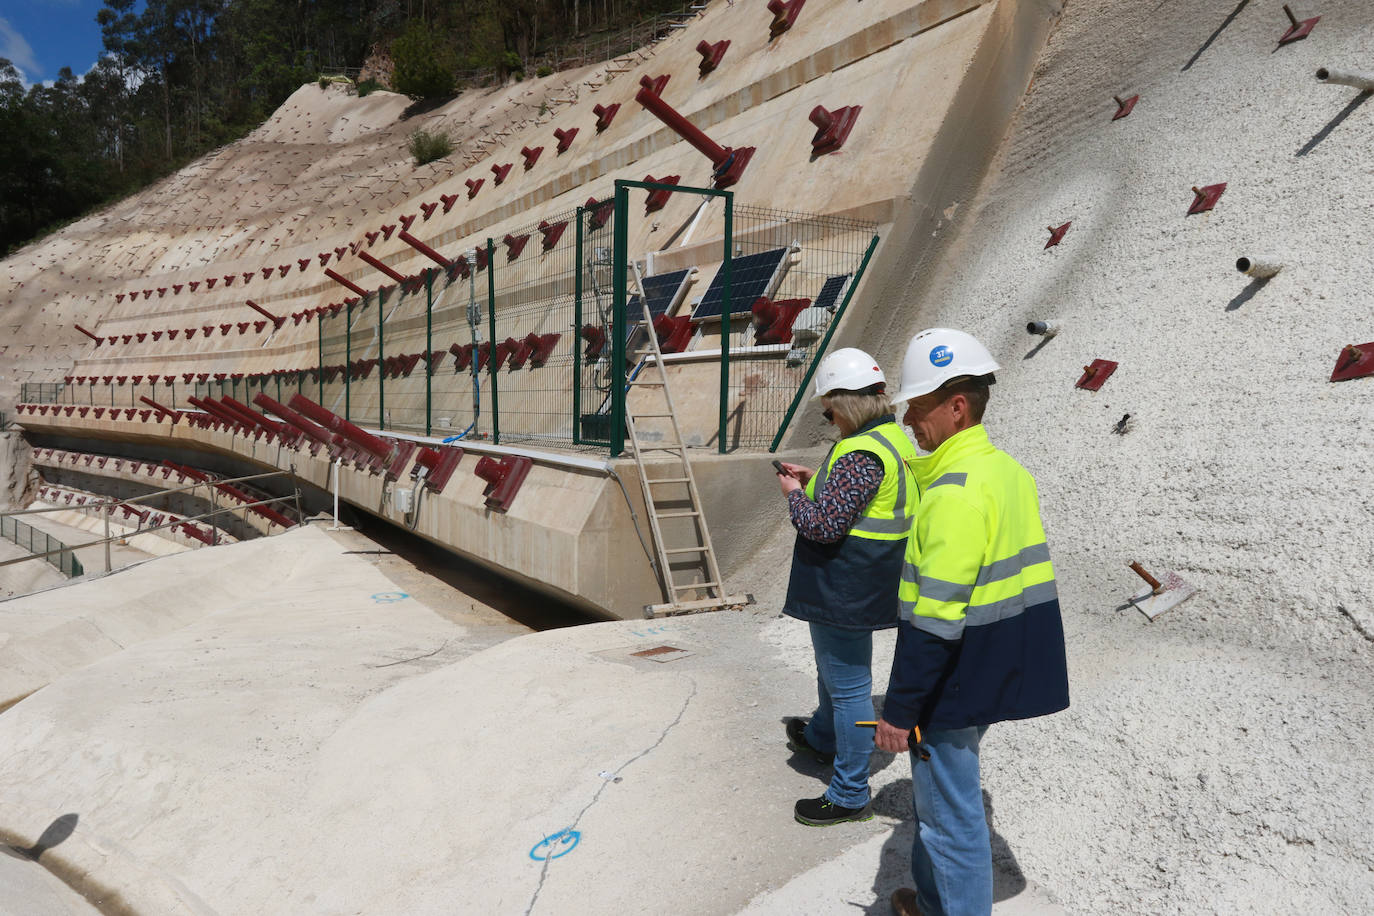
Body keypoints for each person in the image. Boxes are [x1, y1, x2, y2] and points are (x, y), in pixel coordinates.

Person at [874, 328, 1070, 916]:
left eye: (918, 405)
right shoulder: (1007, 472)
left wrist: (900, 711)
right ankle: (931, 902)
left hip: (952, 680)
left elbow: (935, 622)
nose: (909, 418)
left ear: (957, 408)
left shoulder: (954, 495)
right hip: (993, 663)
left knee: (949, 822)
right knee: (948, 807)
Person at [776, 347, 919, 827]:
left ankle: (850, 792)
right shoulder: (890, 440)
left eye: (830, 409)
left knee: (850, 690)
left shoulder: (860, 452)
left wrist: (795, 495)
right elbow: (864, 500)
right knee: (834, 676)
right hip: (866, 580)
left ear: (846, 402)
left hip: (845, 585)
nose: (829, 418)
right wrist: (818, 479)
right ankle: (821, 738)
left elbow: (822, 526)